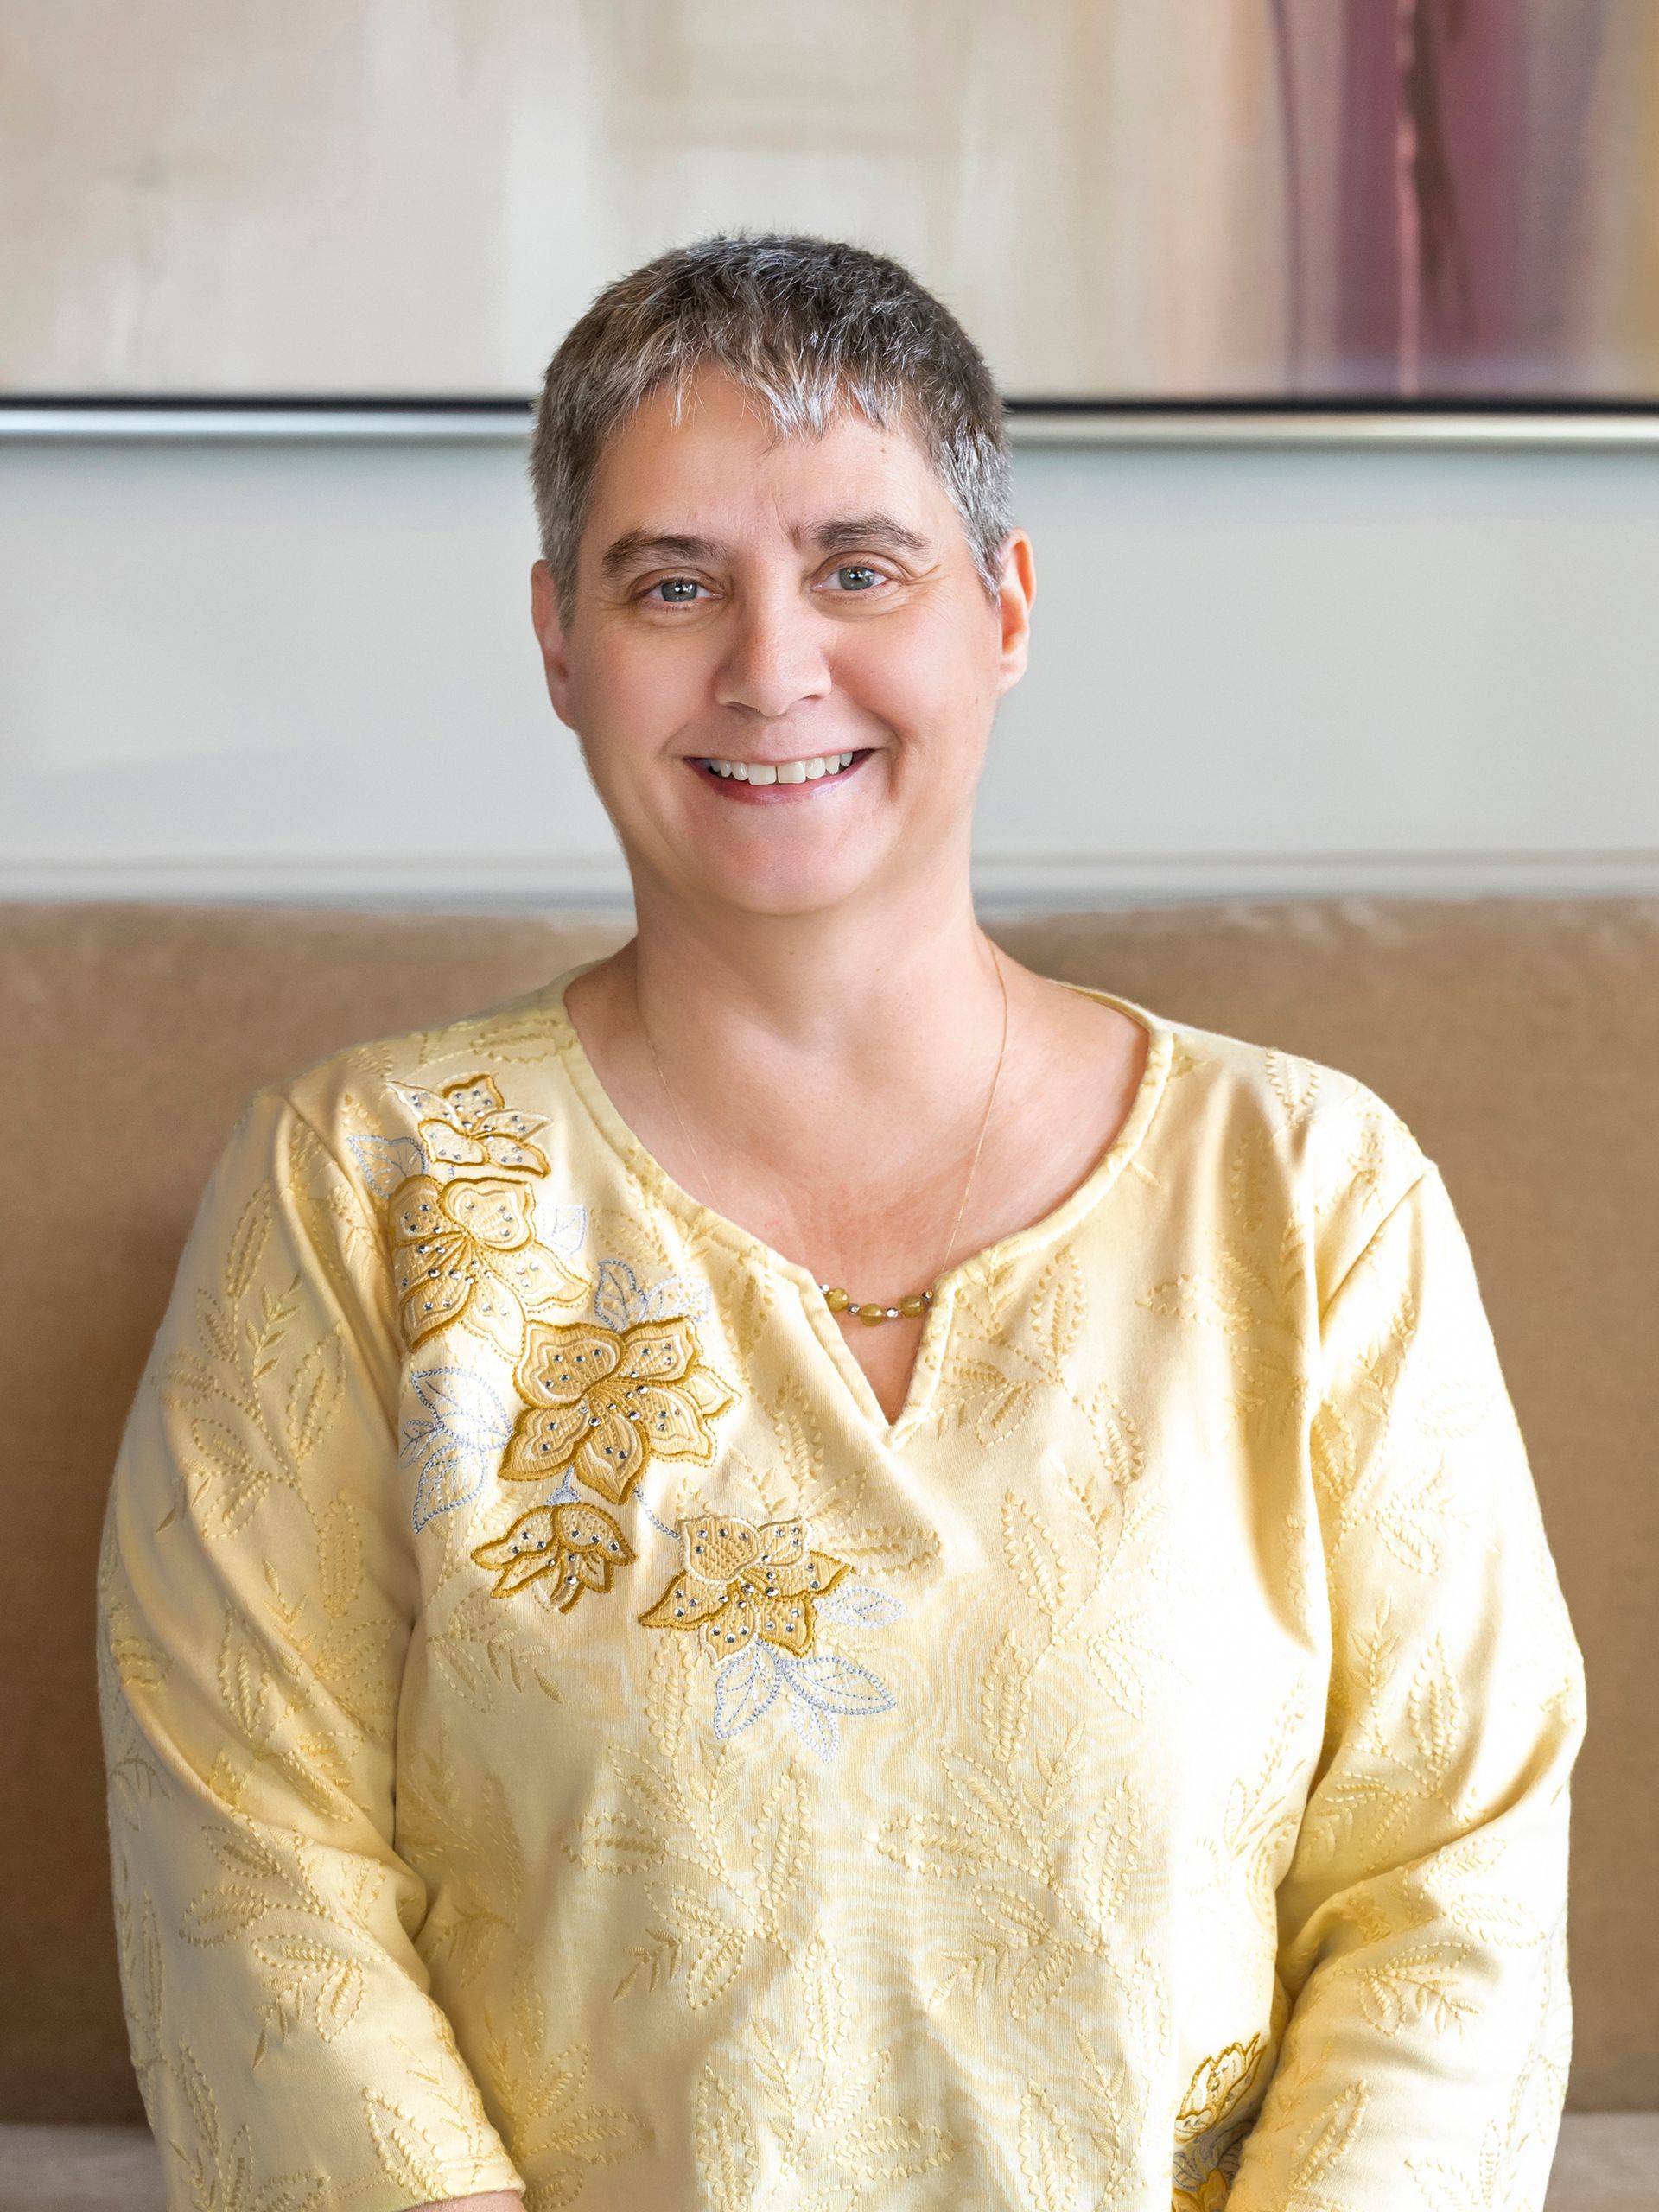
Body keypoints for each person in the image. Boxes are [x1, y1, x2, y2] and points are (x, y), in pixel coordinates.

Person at [97, 234, 1586, 2212]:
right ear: (559, 640)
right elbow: (253, 1872)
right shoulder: (357, 1180)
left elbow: (1448, 1883)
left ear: (1007, 610)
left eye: (860, 568)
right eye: (672, 582)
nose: (771, 665)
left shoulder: (1315, 1195)